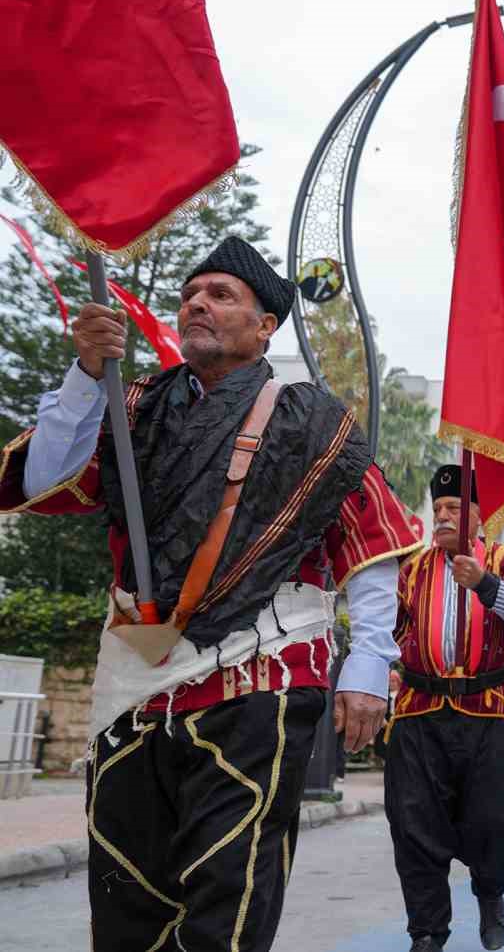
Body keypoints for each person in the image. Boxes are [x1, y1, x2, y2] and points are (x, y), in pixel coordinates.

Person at [0, 236, 419, 950]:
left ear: (265, 328)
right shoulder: (131, 403)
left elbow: (372, 549)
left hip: (261, 675)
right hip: (136, 679)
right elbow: (41, 477)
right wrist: (83, 374)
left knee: (229, 891)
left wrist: (368, 669)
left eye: (222, 295)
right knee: (126, 893)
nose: (198, 302)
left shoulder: (312, 421)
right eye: (192, 293)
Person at [384, 465, 504, 952]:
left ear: (479, 515)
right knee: (413, 824)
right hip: (420, 710)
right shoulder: (412, 567)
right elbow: (389, 631)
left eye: (454, 507)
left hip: (489, 710)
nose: (442, 516)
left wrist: (484, 584)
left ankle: (490, 891)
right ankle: (427, 932)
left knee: (494, 820)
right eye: (437, 508)